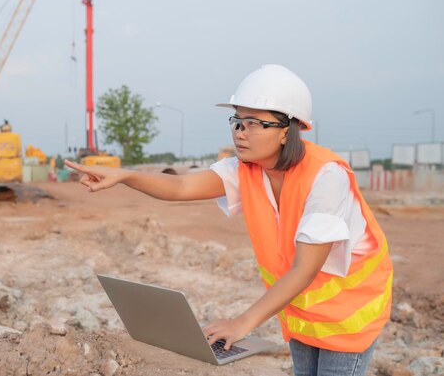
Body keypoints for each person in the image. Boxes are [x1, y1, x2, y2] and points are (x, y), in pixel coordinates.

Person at [65, 64, 392, 376]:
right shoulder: (244, 169)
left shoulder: (326, 176)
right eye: (237, 121)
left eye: (254, 123)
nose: (240, 132)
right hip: (299, 310)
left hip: (349, 314)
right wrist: (124, 175)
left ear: (285, 131)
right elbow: (180, 186)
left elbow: (305, 268)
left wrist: (243, 323)